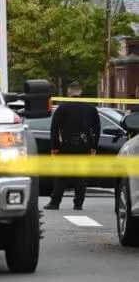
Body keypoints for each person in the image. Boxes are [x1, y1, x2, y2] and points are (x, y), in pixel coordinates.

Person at [44, 82, 100, 211]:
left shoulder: (62, 108)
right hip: (84, 146)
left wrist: (54, 147)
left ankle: (55, 202)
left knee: (61, 176)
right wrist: (93, 147)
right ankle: (78, 204)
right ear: (81, 92)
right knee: (81, 177)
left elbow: (54, 129)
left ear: (69, 93)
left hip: (66, 146)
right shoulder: (91, 109)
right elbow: (97, 130)